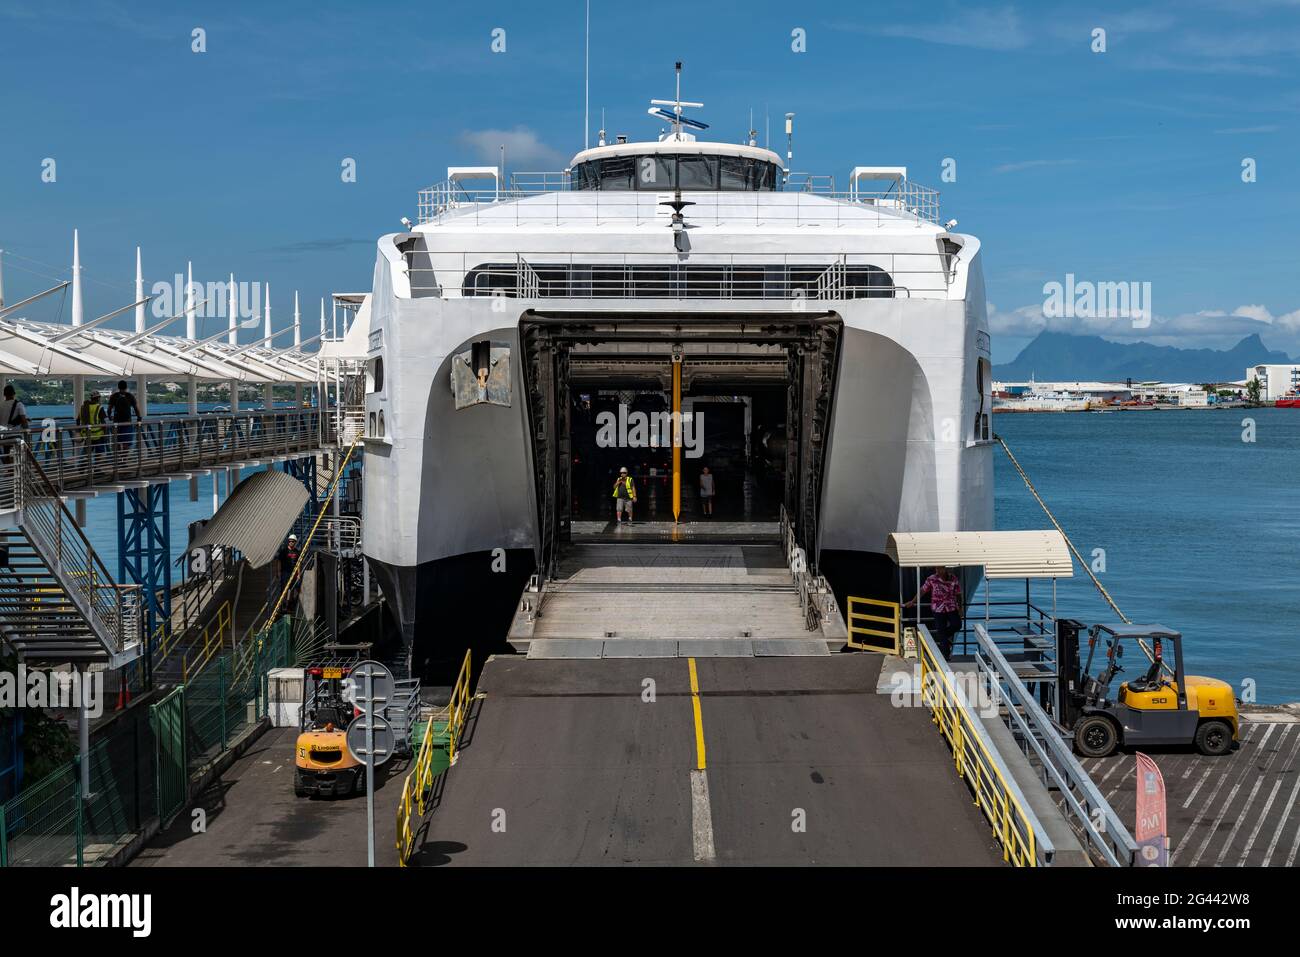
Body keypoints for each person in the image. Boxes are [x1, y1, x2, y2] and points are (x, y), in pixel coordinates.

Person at [903, 565, 963, 658]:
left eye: (940, 568)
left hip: (951, 607)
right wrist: (912, 601)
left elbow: (958, 594)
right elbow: (922, 590)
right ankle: (946, 655)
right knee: (941, 630)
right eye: (936, 568)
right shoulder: (932, 579)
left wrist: (960, 608)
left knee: (957, 625)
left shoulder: (953, 578)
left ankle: (944, 636)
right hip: (938, 609)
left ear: (945, 569)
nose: (937, 570)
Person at [107, 380, 142, 450]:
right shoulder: (130, 396)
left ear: (118, 387)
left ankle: (119, 458)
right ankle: (124, 459)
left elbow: (109, 409)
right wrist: (139, 418)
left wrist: (109, 417)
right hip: (127, 422)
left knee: (117, 442)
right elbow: (136, 409)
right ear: (126, 387)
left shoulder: (114, 396)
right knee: (126, 443)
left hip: (116, 422)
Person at [77, 390, 107, 459]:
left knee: (86, 453)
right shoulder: (99, 407)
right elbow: (103, 423)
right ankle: (96, 468)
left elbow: (78, 420)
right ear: (98, 398)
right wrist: (105, 435)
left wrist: (79, 431)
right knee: (99, 453)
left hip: (87, 434)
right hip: (98, 434)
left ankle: (81, 467)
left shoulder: (83, 407)